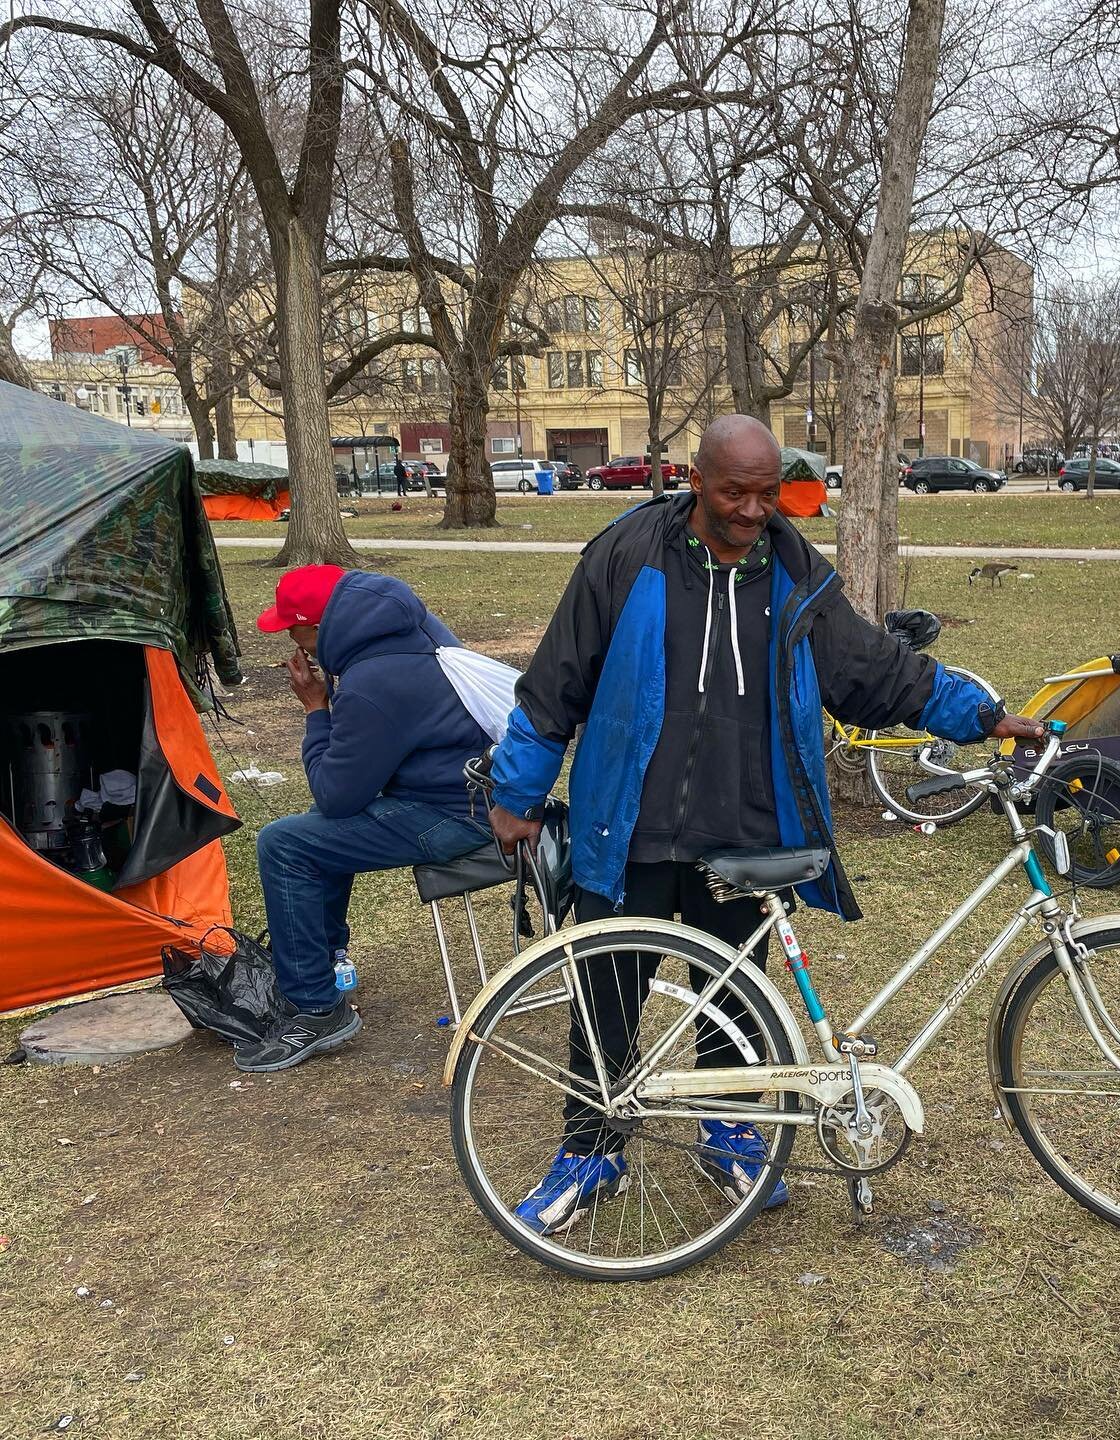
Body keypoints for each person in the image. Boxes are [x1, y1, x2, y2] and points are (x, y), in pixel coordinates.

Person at [484, 413, 1047, 1234]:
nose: (752, 511)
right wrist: (517, 794)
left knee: (738, 996)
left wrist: (983, 717)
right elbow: (555, 682)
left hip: (745, 827)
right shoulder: (626, 557)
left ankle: (730, 1129)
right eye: (734, 493)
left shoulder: (793, 573)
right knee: (607, 992)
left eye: (766, 493)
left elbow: (872, 671)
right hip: (627, 824)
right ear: (695, 482)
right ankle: (591, 1149)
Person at [238, 565, 494, 1073]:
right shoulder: (407, 626)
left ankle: (315, 1008)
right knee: (310, 834)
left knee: (284, 844)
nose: (292, 641)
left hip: (454, 814)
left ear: (318, 626)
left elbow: (337, 794)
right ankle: (324, 961)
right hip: (476, 792)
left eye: (294, 629)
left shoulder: (371, 682)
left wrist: (316, 710)